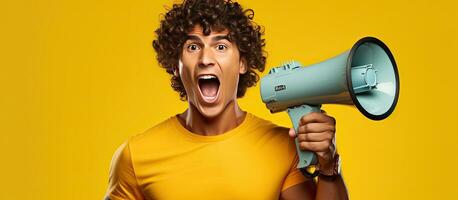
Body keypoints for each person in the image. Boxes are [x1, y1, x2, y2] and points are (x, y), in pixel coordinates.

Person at [104, 0, 349, 199]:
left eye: (220, 46)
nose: (205, 59)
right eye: (192, 47)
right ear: (176, 66)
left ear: (242, 63)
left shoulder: (283, 148)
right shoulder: (135, 156)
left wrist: (328, 167)